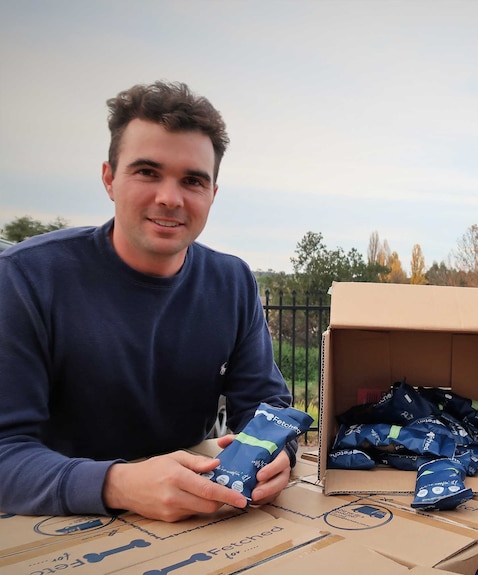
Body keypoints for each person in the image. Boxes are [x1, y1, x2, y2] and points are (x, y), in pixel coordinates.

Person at [0, 81, 297, 522]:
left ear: (212, 194)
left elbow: (266, 405)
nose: (170, 198)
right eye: (147, 172)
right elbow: (6, 455)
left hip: (193, 521)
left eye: (193, 180)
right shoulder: (25, 277)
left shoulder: (232, 281)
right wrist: (118, 484)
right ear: (109, 178)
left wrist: (279, 453)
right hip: (52, 524)